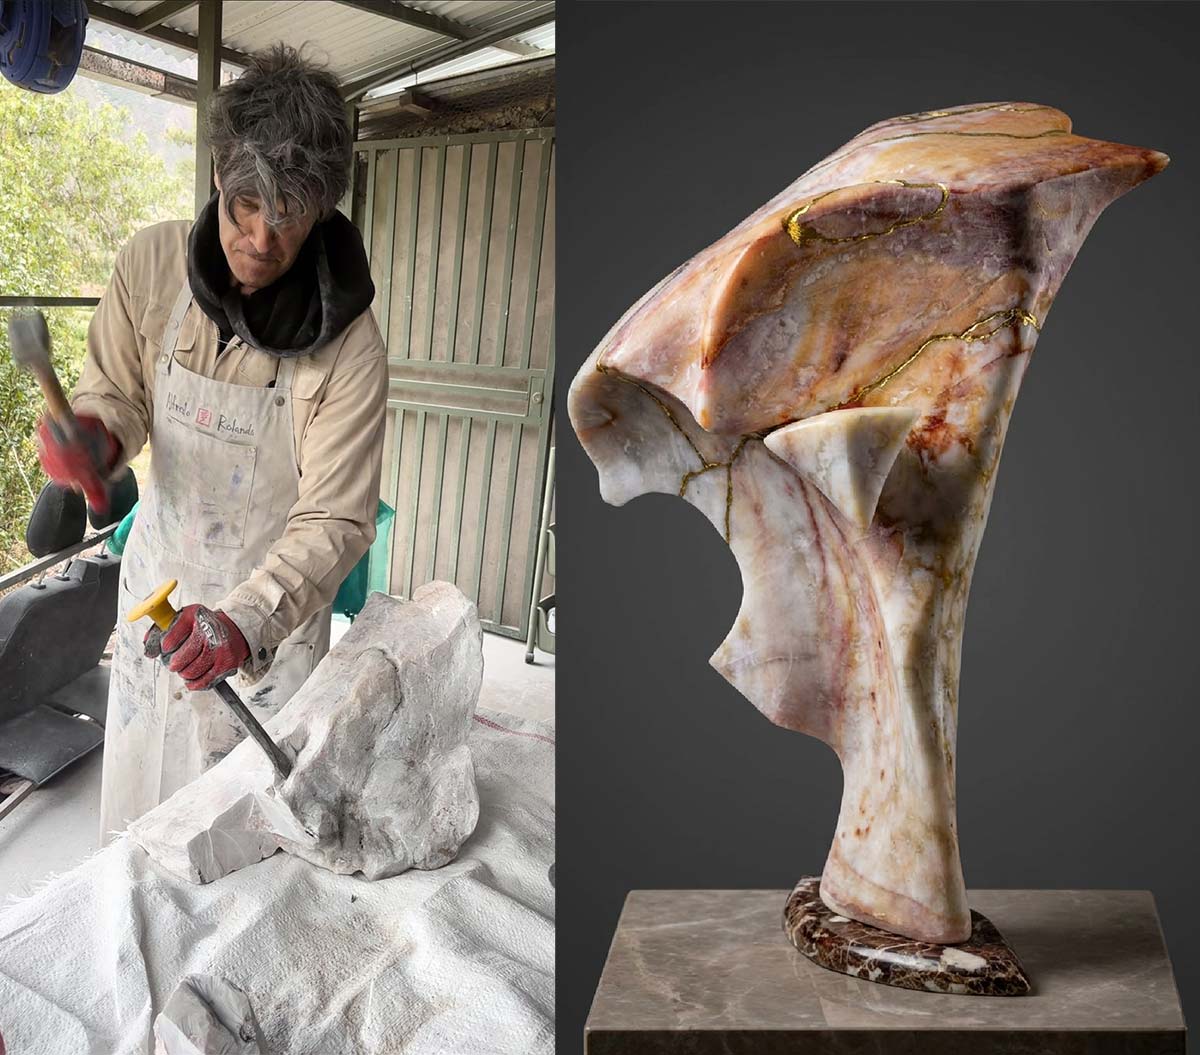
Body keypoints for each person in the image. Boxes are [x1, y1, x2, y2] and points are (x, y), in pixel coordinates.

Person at [36, 46, 387, 842]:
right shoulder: (152, 266)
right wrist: (97, 434)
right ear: (219, 178)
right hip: (154, 598)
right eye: (244, 207)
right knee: (134, 832)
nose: (262, 238)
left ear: (323, 210)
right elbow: (116, 394)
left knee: (237, 853)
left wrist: (246, 618)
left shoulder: (349, 343)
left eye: (289, 214)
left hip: (267, 632)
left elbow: (337, 517)